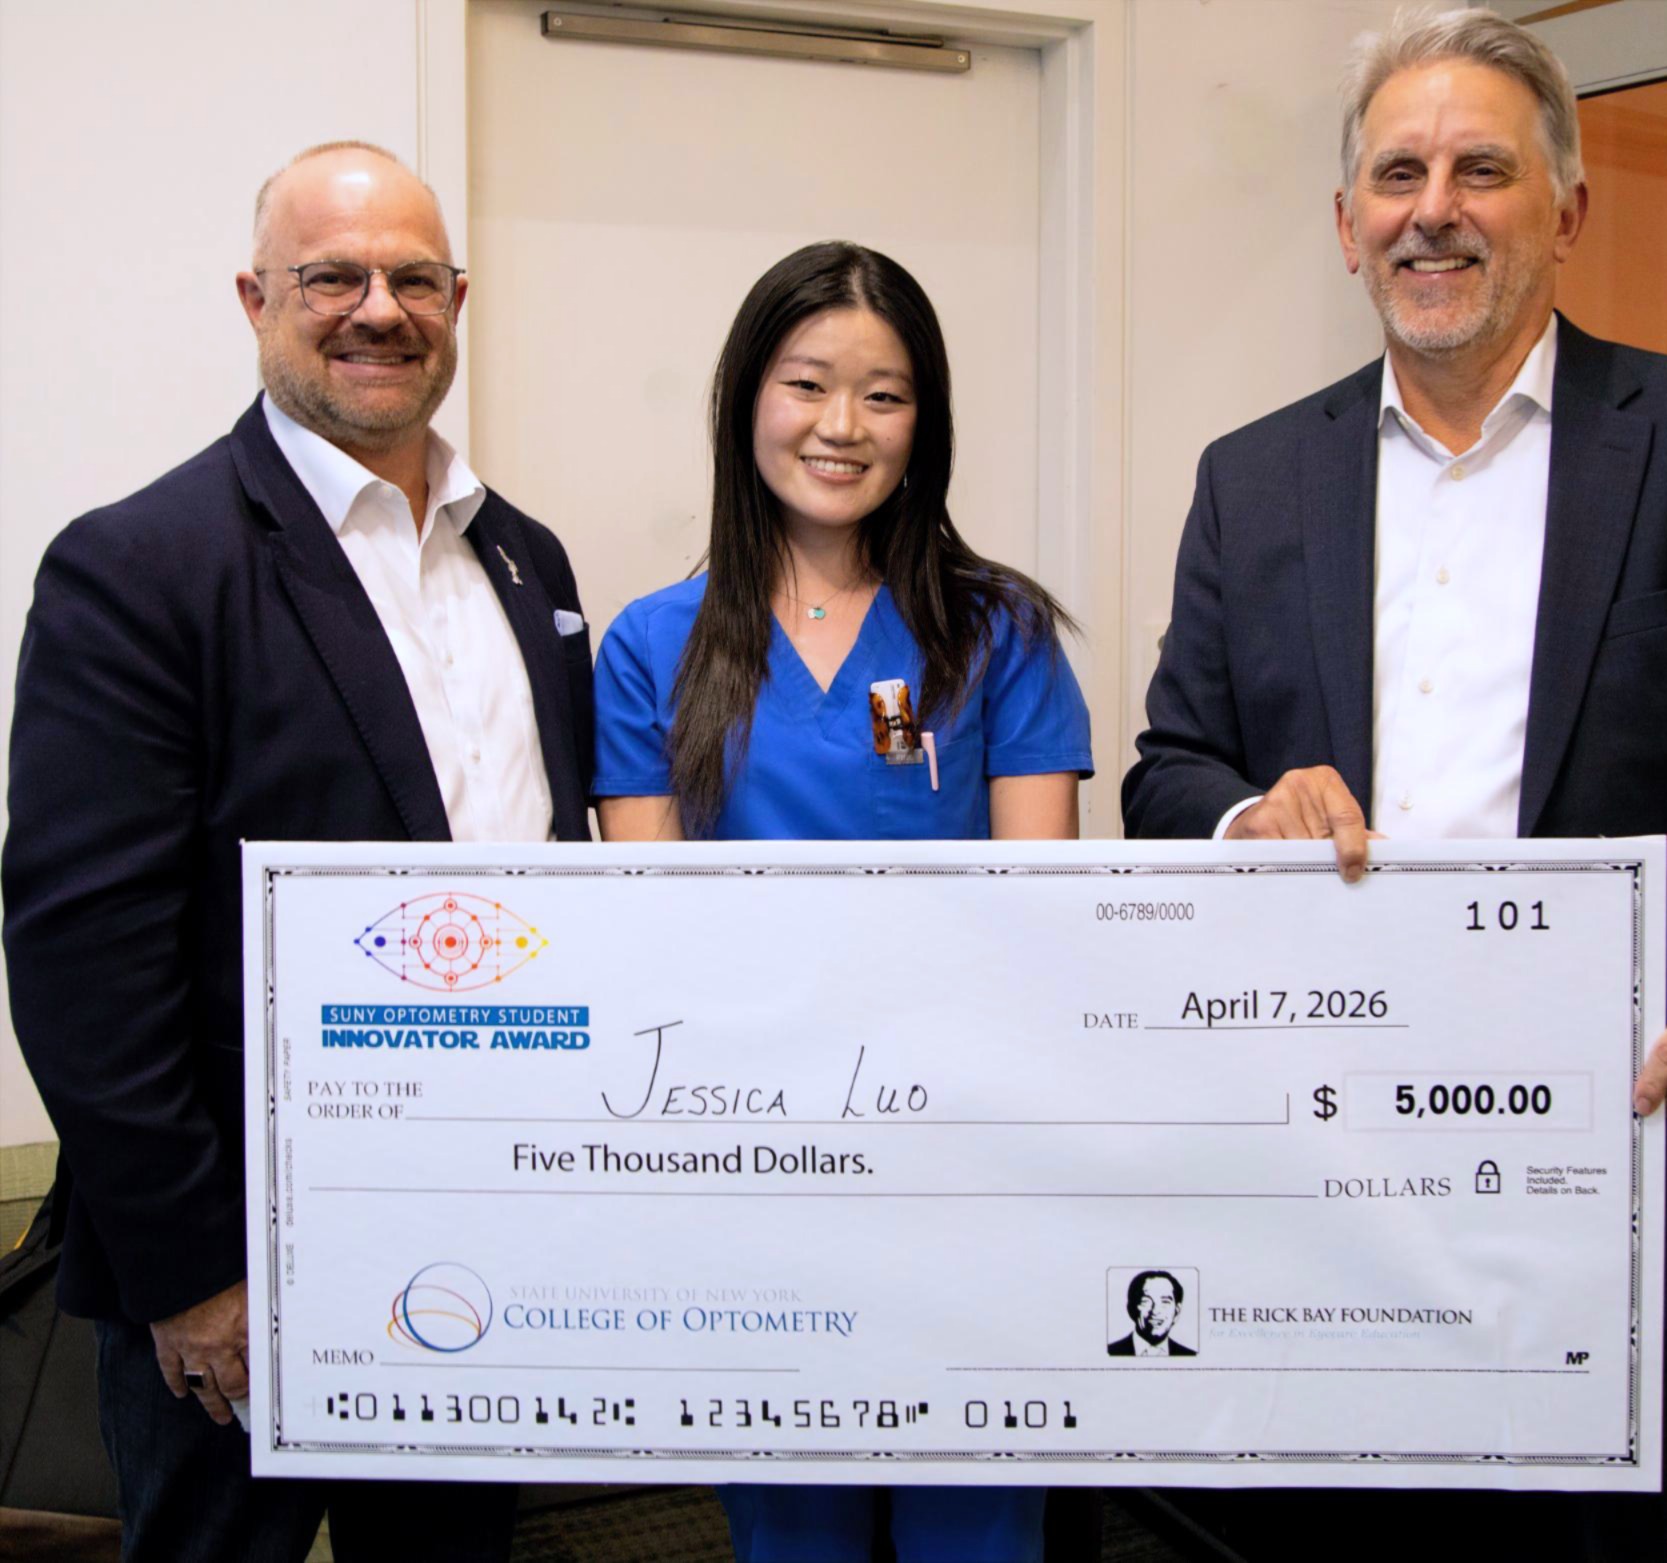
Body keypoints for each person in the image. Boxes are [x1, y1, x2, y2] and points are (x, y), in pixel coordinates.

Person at [1122, 9, 1667, 1560]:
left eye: (1481, 169)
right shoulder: (1252, 475)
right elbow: (1170, 770)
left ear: (1564, 206)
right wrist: (1241, 817)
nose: (1436, 207)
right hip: (1319, 1187)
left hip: (1621, 1188)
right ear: (1346, 223)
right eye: (1398, 172)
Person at [2, 141, 594, 1563]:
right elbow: (85, 958)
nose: (377, 306)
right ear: (257, 298)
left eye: (411, 277)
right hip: (242, 1266)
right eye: (332, 274)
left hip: (481, 1224)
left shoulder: (527, 560)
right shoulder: (139, 565)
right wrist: (196, 1272)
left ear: (458, 297)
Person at [594, 240, 1092, 1561]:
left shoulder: (1000, 634)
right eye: (809, 382)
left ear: (923, 423)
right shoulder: (655, 644)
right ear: (746, 396)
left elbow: (1044, 927)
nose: (841, 425)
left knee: (975, 1519)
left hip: (966, 1159)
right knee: (790, 1524)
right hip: (754, 1159)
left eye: (885, 394)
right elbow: (654, 934)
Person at [1109, 1271, 1194, 1357]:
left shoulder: (1190, 1356)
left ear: (1176, 1312)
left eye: (1165, 1302)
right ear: (1131, 1309)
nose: (1155, 1311)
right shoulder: (1111, 1352)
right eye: (1146, 1301)